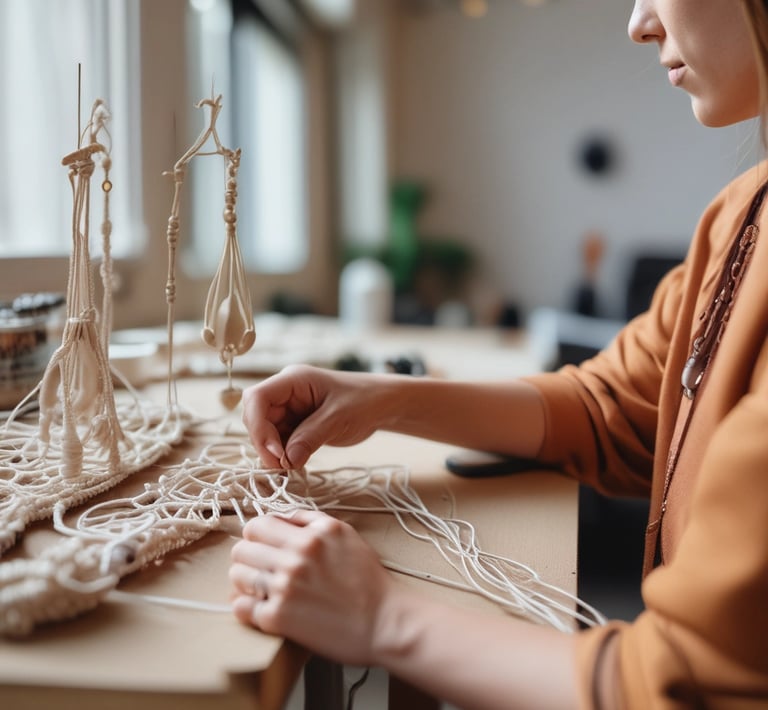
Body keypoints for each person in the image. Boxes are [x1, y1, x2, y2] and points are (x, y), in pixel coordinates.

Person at [229, 0, 768, 707]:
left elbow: (682, 684)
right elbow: (612, 407)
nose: (639, 23)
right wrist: (382, 398)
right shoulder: (740, 213)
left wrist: (380, 618)